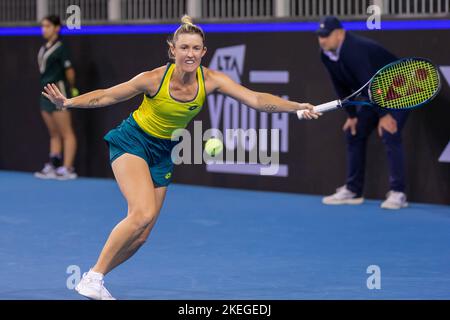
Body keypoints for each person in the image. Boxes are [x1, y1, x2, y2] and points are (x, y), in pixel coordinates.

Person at [42, 15, 320, 300]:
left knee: (142, 234)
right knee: (142, 213)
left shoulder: (211, 80)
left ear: (204, 52)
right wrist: (68, 102)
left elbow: (256, 99)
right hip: (133, 141)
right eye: (184, 48)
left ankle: (95, 277)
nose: (190, 54)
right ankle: (93, 277)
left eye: (196, 48)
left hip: (163, 152)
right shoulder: (153, 79)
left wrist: (296, 106)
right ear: (172, 50)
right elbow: (108, 96)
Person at [317, 16, 409, 210]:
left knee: (389, 132)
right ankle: (353, 190)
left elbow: (371, 82)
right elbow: (340, 85)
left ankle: (398, 193)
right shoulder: (326, 54)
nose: (322, 40)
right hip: (375, 92)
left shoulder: (354, 50)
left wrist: (384, 116)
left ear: (340, 34)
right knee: (354, 131)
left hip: (400, 89)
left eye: (326, 35)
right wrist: (351, 116)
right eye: (320, 36)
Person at [34, 15, 79, 180]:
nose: (43, 29)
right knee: (54, 133)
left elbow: (70, 71)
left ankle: (67, 168)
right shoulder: (43, 48)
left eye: (47, 26)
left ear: (56, 28)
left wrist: (72, 88)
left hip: (59, 93)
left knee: (66, 132)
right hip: (45, 94)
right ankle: (54, 166)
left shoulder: (61, 48)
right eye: (42, 26)